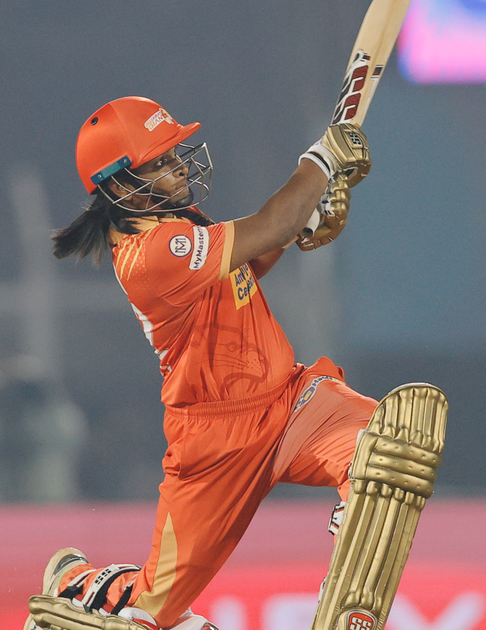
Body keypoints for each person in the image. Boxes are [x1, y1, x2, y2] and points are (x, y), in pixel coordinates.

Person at [27, 95, 430, 630]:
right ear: (120, 185)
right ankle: (75, 587)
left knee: (384, 449)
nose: (178, 167)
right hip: (214, 441)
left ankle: (350, 580)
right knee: (152, 613)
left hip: (291, 402)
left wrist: (304, 220)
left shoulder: (172, 220)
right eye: (160, 162)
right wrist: (320, 163)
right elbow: (269, 225)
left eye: (174, 154)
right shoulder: (151, 254)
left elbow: (250, 260)